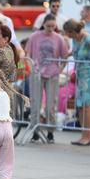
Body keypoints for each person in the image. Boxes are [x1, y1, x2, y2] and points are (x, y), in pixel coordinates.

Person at [26, 14, 68, 143]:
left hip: (52, 74)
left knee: (51, 105)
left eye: (53, 26)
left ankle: (50, 132)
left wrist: (60, 69)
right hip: (37, 73)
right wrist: (30, 68)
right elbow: (27, 54)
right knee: (35, 103)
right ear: (43, 24)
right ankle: (35, 131)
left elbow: (65, 56)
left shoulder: (59, 38)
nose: (50, 28)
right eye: (48, 26)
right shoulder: (34, 37)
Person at [63, 19, 90, 146]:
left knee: (87, 106)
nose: (66, 34)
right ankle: (84, 135)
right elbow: (75, 52)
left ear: (72, 31)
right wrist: (66, 55)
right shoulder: (75, 38)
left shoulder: (87, 38)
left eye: (67, 32)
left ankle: (87, 137)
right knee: (80, 106)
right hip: (81, 75)